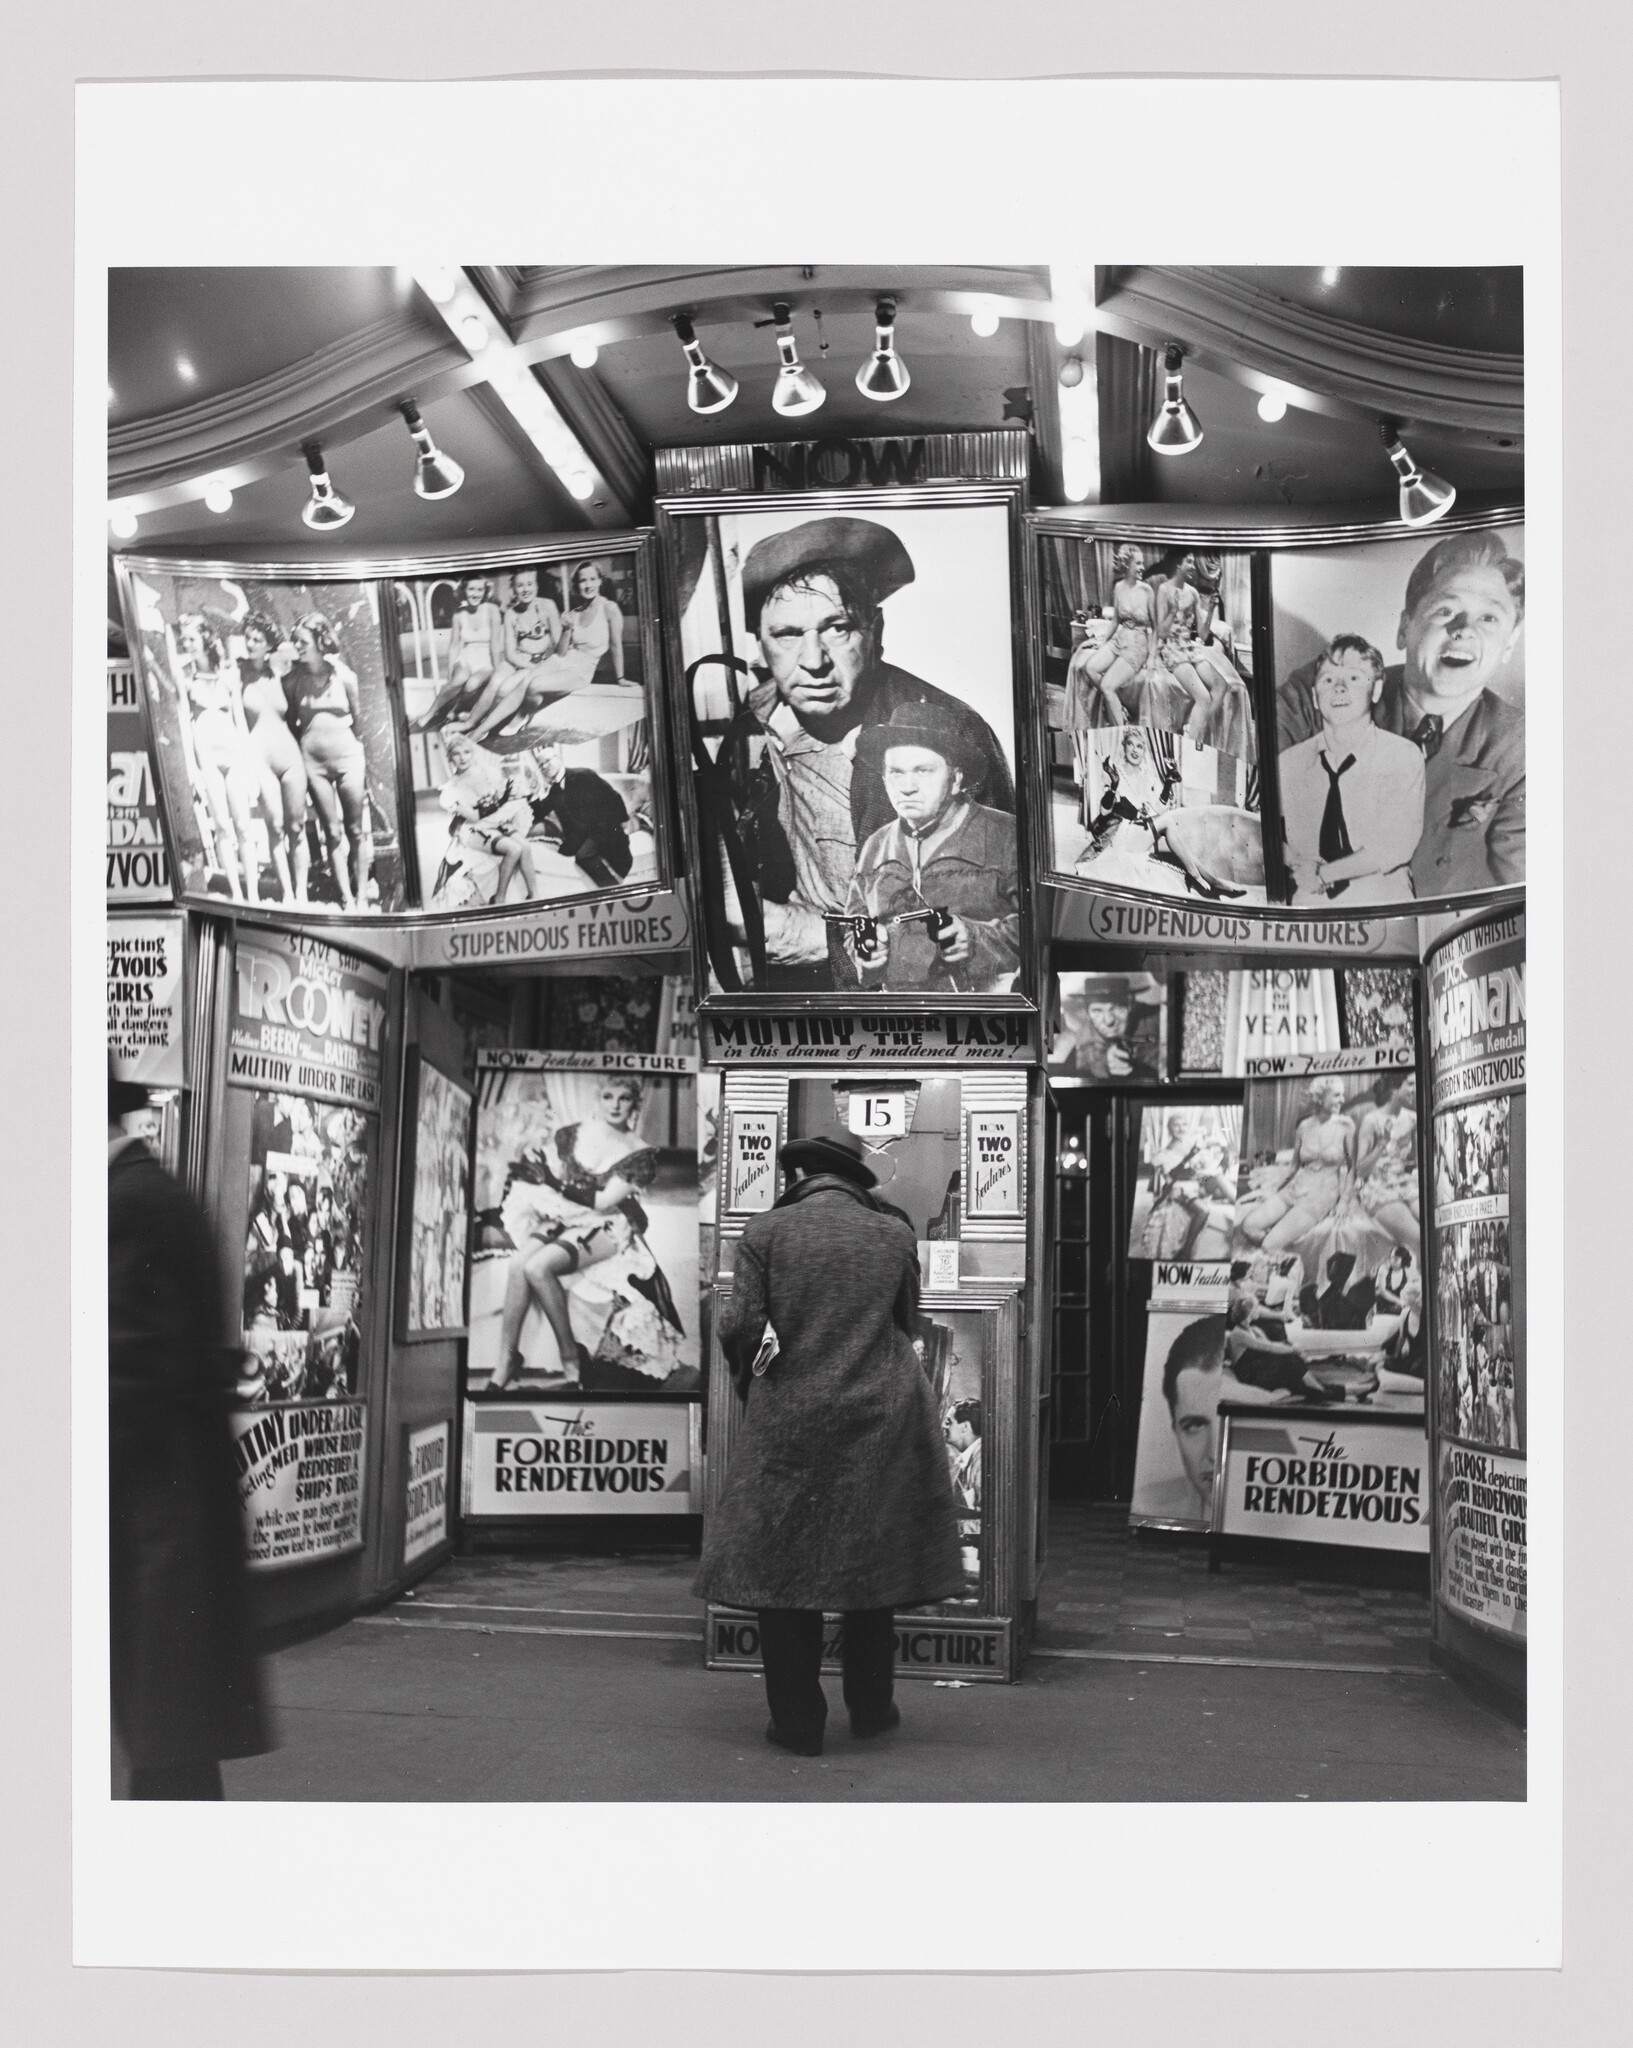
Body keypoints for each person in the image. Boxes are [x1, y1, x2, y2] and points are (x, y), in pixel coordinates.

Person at [695, 1131, 962, 1755]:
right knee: (869, 1561)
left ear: (799, 1177)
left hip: (793, 1416)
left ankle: (798, 1723)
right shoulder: (895, 1234)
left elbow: (742, 1327)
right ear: (851, 1179)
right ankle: (871, 1709)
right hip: (883, 1411)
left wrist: (758, 1387)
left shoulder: (765, 1232)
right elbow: (907, 1321)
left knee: (784, 1570)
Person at [700, 516, 1015, 991]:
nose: (813, 660)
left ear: (876, 631)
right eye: (787, 634)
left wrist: (803, 935)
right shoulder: (743, 726)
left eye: (838, 628)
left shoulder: (953, 734)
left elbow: (996, 935)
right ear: (760, 647)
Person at [108, 1071, 269, 1797]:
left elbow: (127, 1377)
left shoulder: (130, 1203)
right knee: (167, 1751)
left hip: (149, 1531)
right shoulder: (143, 1194)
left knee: (164, 1747)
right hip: (158, 1528)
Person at [1277, 530, 1525, 896]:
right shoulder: (1322, 691)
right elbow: (1254, 810)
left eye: (1489, 618)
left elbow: (1520, 896)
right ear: (1404, 627)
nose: (1464, 632)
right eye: (1445, 610)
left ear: (1509, 644)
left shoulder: (1521, 749)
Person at [488, 1077, 691, 1395]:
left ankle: (572, 1361)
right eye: (608, 1096)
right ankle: (506, 1362)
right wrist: (540, 1181)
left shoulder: (639, 1154)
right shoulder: (575, 1133)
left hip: (608, 1226)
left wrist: (554, 1184)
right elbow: (553, 1175)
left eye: (624, 1098)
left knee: (537, 1268)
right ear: (599, 1100)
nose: (615, 1105)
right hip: (566, 1216)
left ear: (634, 1105)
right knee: (518, 1266)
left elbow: (601, 1202)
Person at [842, 699, 1021, 992]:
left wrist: (976, 940)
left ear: (955, 779)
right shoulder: (875, 846)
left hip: (982, 1016)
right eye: (896, 772)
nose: (907, 786)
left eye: (923, 771)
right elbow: (854, 923)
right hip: (902, 1017)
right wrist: (865, 950)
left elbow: (1043, 923)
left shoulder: (1006, 835)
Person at [1279, 635, 1425, 905]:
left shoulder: (1402, 756)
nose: (1340, 688)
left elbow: (1396, 843)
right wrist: (1297, 865)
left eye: (1355, 678)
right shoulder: (1289, 762)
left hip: (1384, 907)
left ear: (1377, 689)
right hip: (1309, 905)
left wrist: (1324, 874)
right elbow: (1265, 831)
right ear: (1314, 695)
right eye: (1328, 679)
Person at [468, 560, 628, 741]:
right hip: (561, 660)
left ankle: (522, 716)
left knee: (535, 685)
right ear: (577, 585)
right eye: (583, 581)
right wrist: (567, 628)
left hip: (582, 669)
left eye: (592, 579)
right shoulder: (574, 613)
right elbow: (561, 652)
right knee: (526, 681)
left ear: (600, 581)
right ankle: (480, 730)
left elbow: (616, 645)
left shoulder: (610, 609)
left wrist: (620, 678)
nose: (588, 585)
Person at [282, 612, 374, 910]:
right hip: (314, 765)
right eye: (294, 640)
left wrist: (360, 758)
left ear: (320, 641)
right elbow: (291, 723)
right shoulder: (293, 680)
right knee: (331, 832)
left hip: (348, 759)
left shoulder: (344, 676)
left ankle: (361, 894)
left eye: (302, 641)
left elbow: (359, 722)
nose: (297, 646)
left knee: (356, 830)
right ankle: (346, 896)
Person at [172, 612, 263, 902]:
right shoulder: (185, 677)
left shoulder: (228, 675)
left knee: (244, 827)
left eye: (192, 638)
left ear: (206, 638)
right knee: (223, 826)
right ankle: (236, 894)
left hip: (234, 757)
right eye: (183, 639)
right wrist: (192, 771)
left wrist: (250, 770)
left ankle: (253, 894)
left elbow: (241, 725)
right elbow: (185, 726)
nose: (187, 644)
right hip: (207, 761)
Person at [1236, 1076, 1356, 1266]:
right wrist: (1276, 1188)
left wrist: (1344, 1200)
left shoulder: (1346, 1126)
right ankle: (1282, 1240)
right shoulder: (1304, 1126)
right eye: (1336, 1095)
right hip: (1297, 1186)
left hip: (1322, 1193)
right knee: (1248, 1226)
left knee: (1269, 1244)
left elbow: (1352, 1167)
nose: (1342, 1100)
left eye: (1342, 1095)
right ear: (1319, 1098)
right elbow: (1293, 1166)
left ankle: (1286, 1261)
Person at [235, 609, 309, 904]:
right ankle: (287, 893)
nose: (251, 643)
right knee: (276, 826)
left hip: (290, 756)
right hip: (259, 759)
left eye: (258, 639)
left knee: (297, 826)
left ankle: (301, 893)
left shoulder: (280, 669)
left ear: (268, 644)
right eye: (248, 638)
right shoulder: (236, 673)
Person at [435, 729, 541, 907]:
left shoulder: (483, 772)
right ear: (450, 758)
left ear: (472, 753)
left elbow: (498, 796)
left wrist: (509, 794)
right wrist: (502, 800)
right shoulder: (451, 788)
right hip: (472, 829)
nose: (463, 758)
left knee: (525, 846)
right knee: (513, 849)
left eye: (467, 752)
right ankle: (499, 898)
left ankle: (535, 896)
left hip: (493, 822)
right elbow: (474, 816)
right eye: (456, 754)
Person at [520, 741, 634, 892]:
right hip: (580, 836)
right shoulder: (554, 790)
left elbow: (613, 796)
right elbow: (540, 813)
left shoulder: (583, 775)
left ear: (558, 758)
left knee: (590, 856)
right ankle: (611, 889)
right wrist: (534, 793)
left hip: (603, 830)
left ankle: (613, 891)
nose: (545, 766)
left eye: (547, 761)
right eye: (541, 765)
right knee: (582, 855)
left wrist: (622, 822)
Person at [1062, 543, 1153, 728]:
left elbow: (1156, 627)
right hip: (1119, 639)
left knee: (1107, 686)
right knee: (1089, 668)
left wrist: (1151, 656)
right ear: (1127, 565)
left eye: (1143, 563)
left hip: (1137, 645)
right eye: (1139, 563)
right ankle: (1119, 706)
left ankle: (1121, 734)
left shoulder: (1147, 591)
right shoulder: (1118, 587)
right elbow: (1116, 620)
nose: (1143, 568)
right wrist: (1103, 642)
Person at [414, 575, 505, 732]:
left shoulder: (492, 610)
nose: (475, 594)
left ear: (485, 592)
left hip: (487, 660)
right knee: (459, 679)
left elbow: (495, 645)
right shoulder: (458, 613)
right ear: (464, 591)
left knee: (472, 684)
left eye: (479, 589)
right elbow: (454, 645)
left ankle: (454, 709)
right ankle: (430, 714)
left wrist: (498, 671)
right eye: (471, 589)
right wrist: (450, 673)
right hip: (467, 656)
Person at [1051, 972, 1163, 1082]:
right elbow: (1086, 1061)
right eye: (1097, 1010)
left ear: (1131, 1004)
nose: (1108, 1020)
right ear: (1087, 1012)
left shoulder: (1156, 1017)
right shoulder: (1085, 1030)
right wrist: (1106, 1063)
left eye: (1116, 1008)